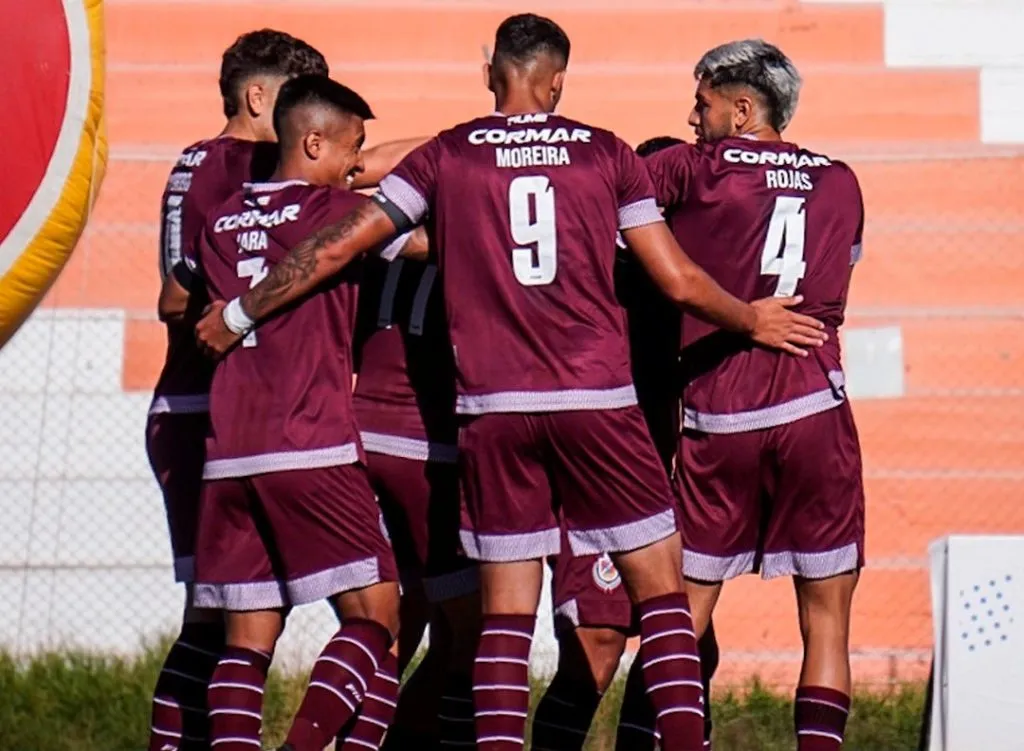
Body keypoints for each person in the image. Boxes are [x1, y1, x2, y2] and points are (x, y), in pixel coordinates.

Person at [193, 15, 827, 751]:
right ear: (558, 79)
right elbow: (679, 280)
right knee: (662, 597)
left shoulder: (451, 154)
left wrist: (240, 311)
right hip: (597, 403)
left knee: (502, 618)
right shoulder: (605, 152)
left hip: (489, 412)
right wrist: (751, 319)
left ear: (489, 69)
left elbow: (338, 243)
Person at [643, 39, 866, 751]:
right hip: (816, 407)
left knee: (683, 613)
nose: (691, 117)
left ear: (743, 110)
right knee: (828, 620)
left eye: (703, 103)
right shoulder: (840, 180)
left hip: (723, 413)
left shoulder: (693, 167)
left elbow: (593, 195)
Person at [184, 75, 405, 751]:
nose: (354, 165)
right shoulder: (332, 213)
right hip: (311, 442)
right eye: (350, 149)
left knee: (246, 640)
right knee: (378, 614)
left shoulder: (220, 220)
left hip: (228, 453)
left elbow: (182, 298)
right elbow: (431, 198)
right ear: (313, 141)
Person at [147, 29, 326, 751]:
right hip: (213, 408)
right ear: (258, 97)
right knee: (231, 621)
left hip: (191, 406)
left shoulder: (194, 160)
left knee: (225, 617)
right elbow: (177, 295)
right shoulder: (244, 163)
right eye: (297, 101)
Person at [531, 134, 686, 751]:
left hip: (664, 476)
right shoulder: (600, 272)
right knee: (596, 648)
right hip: (594, 480)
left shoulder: (690, 276)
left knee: (688, 646)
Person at [352, 232, 481, 749]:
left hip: (361, 434)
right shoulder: (468, 243)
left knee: (399, 618)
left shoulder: (376, 245)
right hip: (427, 451)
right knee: (477, 628)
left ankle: (365, 734)